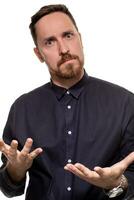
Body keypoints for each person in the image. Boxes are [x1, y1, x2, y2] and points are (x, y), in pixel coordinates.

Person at [0, 4, 134, 200]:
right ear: (39, 54)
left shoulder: (125, 103)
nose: (63, 49)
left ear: (80, 39)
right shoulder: (23, 108)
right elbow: (9, 189)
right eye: (50, 42)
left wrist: (118, 183)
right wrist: (15, 170)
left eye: (68, 36)